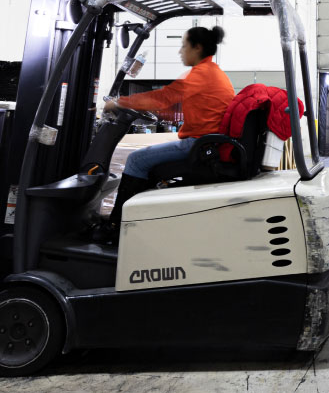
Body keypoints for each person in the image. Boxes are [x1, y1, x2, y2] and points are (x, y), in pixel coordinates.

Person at [99, 25, 234, 240]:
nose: (181, 51)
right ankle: (135, 218)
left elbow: (162, 98)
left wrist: (118, 102)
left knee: (135, 160)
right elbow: (170, 101)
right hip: (205, 141)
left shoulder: (201, 75)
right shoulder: (212, 73)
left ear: (197, 48)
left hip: (199, 143)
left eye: (184, 46)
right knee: (146, 163)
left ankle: (116, 228)